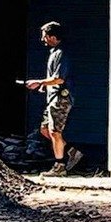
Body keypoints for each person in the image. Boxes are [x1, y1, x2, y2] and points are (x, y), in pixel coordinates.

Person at [22, 20, 82, 175]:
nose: (43, 39)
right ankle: (71, 151)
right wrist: (44, 86)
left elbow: (60, 79)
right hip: (52, 98)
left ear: (53, 37)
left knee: (55, 131)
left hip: (61, 98)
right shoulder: (54, 53)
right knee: (44, 130)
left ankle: (59, 166)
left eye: (45, 36)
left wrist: (38, 82)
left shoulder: (61, 54)